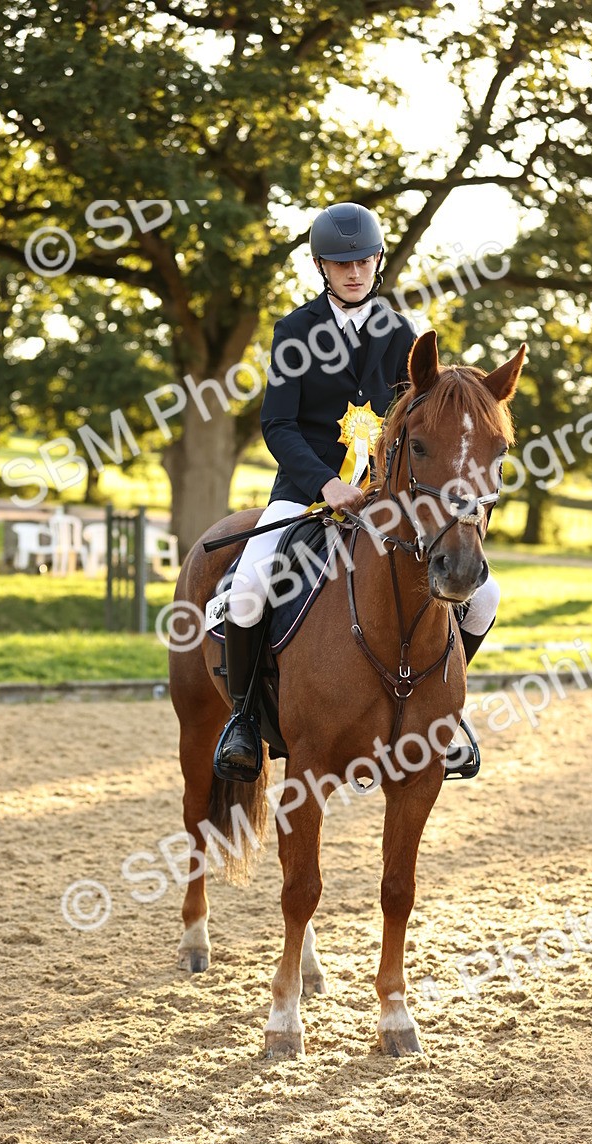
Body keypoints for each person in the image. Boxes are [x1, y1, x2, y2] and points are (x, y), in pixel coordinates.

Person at [213, 202, 499, 782]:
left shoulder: (402, 335)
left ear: (377, 261)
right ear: (321, 266)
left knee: (485, 596)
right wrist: (326, 483)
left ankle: (444, 714)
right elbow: (278, 425)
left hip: (385, 497)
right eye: (341, 263)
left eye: (363, 260)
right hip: (307, 491)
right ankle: (243, 718)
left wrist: (385, 488)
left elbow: (422, 420)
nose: (354, 271)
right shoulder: (295, 332)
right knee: (248, 585)